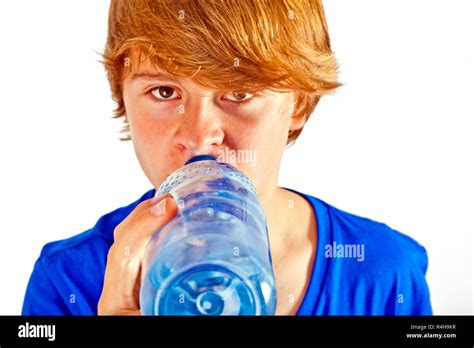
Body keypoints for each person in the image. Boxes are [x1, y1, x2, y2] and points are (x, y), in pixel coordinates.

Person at [22, 0, 432, 315]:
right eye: (165, 92)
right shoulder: (68, 280)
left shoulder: (382, 272)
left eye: (239, 93)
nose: (199, 137)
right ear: (123, 98)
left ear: (299, 104)